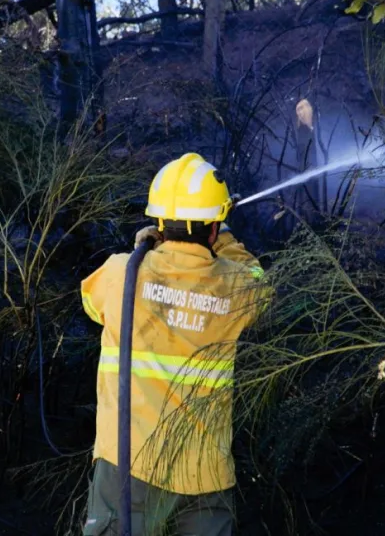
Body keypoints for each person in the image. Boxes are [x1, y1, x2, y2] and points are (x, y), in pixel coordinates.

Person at [79, 152, 270, 536]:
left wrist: (145, 254)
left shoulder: (120, 274)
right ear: (213, 229)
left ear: (159, 223)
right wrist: (227, 240)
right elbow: (261, 287)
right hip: (205, 475)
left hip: (128, 464)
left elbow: (90, 303)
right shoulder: (237, 286)